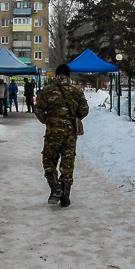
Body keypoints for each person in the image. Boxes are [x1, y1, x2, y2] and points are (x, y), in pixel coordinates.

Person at [34, 64, 89, 207]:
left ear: (56, 74)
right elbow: (84, 110)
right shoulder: (76, 91)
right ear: (68, 75)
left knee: (49, 159)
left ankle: (55, 187)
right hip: (70, 133)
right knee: (68, 162)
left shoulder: (47, 90)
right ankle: (65, 196)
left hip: (53, 131)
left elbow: (38, 109)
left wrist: (47, 120)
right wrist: (74, 119)